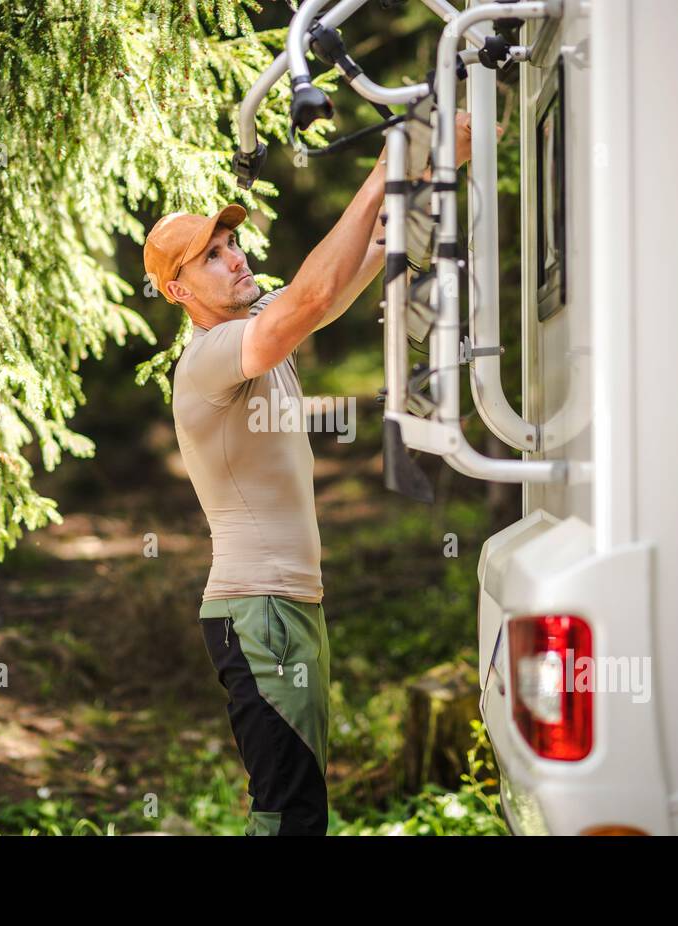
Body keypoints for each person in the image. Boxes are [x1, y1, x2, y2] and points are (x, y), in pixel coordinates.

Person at [142, 112, 477, 835]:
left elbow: (371, 253)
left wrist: (429, 168)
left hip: (289, 608)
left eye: (231, 244)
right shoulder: (208, 361)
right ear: (178, 293)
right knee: (290, 815)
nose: (233, 259)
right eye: (210, 258)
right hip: (256, 612)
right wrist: (385, 167)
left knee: (299, 811)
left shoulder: (256, 326)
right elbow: (313, 297)